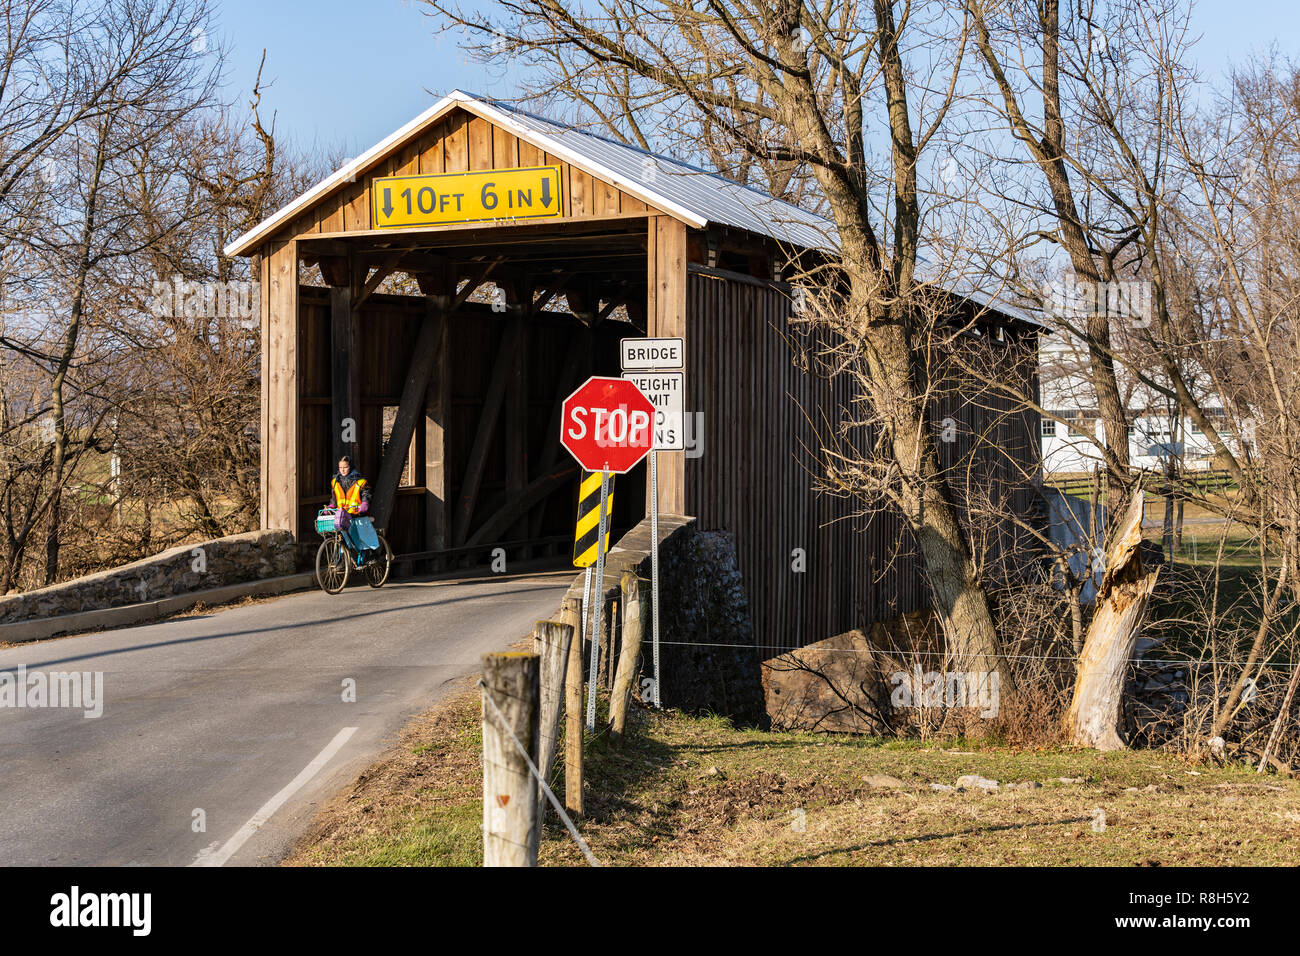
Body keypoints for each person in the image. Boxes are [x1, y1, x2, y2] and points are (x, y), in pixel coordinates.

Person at [329, 456, 379, 560]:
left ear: (350, 467)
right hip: (342, 515)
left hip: (357, 513)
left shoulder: (360, 482)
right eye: (340, 467)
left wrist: (365, 503)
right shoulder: (335, 482)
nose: (342, 470)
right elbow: (334, 498)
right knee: (343, 537)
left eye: (345, 467)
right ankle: (344, 561)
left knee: (363, 535)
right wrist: (331, 506)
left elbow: (366, 493)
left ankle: (370, 554)